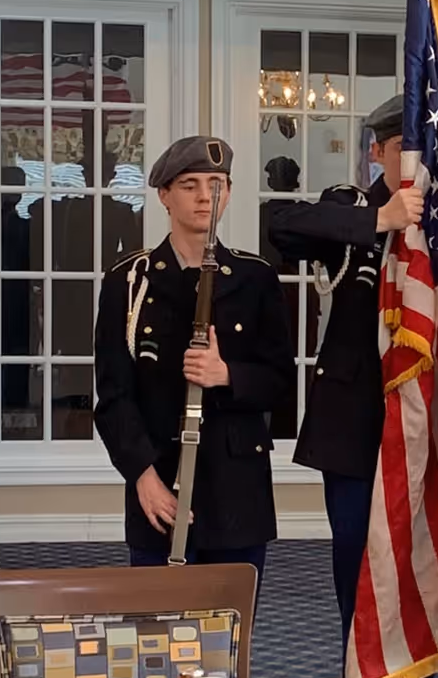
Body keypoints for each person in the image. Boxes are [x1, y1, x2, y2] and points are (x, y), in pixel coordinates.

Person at [265, 93, 438, 670]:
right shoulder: (349, 208)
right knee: (358, 574)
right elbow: (283, 227)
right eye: (402, 147)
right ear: (376, 151)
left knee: (420, 576)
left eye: (425, 147)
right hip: (353, 433)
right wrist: (380, 220)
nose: (415, 159)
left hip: (424, 435)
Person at [94, 135, 294, 580]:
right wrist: (142, 478)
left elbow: (281, 383)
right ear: (164, 195)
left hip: (237, 491)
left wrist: (227, 374)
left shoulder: (255, 277)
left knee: (230, 638)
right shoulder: (130, 281)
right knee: (159, 635)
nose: (205, 195)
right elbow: (113, 397)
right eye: (189, 184)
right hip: (160, 484)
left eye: (216, 183)